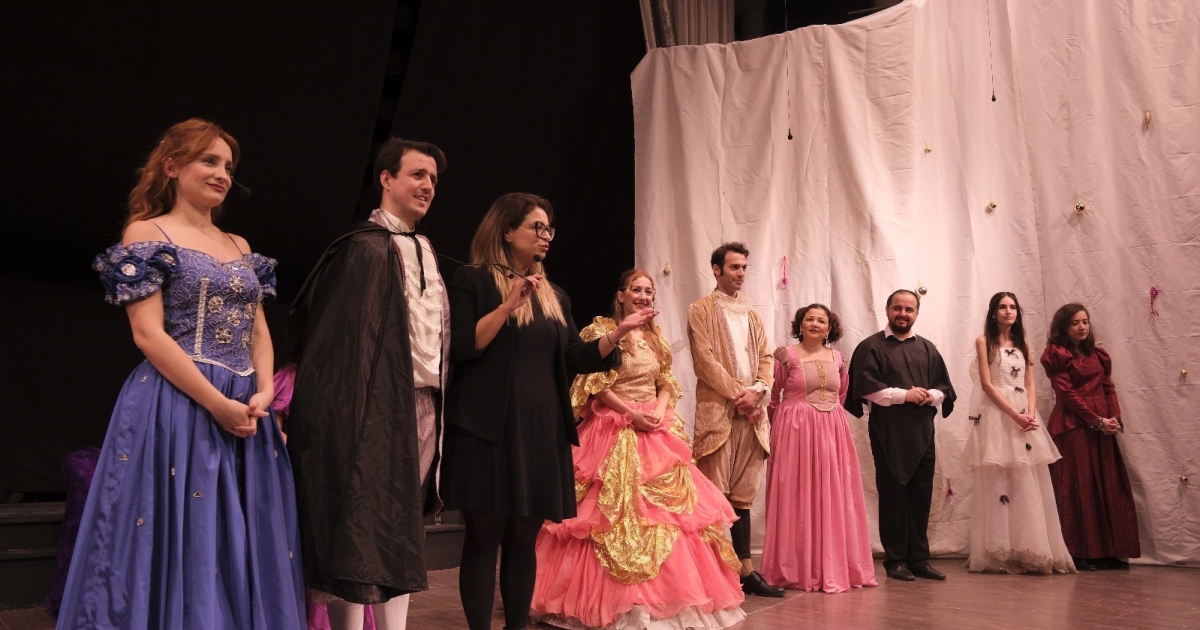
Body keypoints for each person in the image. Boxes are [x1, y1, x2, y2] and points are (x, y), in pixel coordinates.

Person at [60, 118, 305, 629]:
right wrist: (217, 404)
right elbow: (148, 335)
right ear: (172, 166)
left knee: (239, 536)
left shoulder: (240, 245)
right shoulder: (148, 234)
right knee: (177, 533)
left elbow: (259, 331)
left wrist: (264, 391)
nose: (222, 174)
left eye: (228, 166)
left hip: (245, 406)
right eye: (209, 161)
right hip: (180, 402)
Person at [443, 193, 651, 630]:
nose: (546, 236)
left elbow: (575, 356)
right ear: (507, 231)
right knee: (484, 536)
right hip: (489, 429)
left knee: (524, 538)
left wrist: (617, 334)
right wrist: (508, 306)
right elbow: (462, 346)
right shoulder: (473, 280)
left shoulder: (554, 295)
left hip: (540, 431)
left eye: (549, 228)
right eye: (536, 227)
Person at [287, 138, 450, 630]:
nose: (427, 185)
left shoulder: (425, 248)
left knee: (401, 527)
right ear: (386, 178)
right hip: (371, 405)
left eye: (433, 179)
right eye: (417, 174)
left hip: (423, 404)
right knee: (359, 522)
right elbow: (337, 346)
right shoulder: (363, 248)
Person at [531, 270, 747, 629]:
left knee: (669, 517)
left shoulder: (655, 337)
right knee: (604, 516)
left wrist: (659, 411)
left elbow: (666, 379)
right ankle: (612, 602)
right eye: (636, 290)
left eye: (649, 291)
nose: (644, 296)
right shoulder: (600, 330)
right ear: (621, 295)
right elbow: (594, 383)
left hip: (655, 429)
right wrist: (631, 414)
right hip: (613, 426)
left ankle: (667, 600)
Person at [687, 242, 783, 598]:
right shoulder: (700, 309)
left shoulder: (752, 315)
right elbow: (704, 360)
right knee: (714, 493)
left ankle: (746, 571)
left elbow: (766, 357)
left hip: (752, 415)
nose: (740, 273)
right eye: (734, 267)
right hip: (720, 414)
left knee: (743, 495)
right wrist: (739, 396)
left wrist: (759, 390)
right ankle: (712, 572)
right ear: (716, 270)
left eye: (744, 267)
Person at [762, 304, 878, 593]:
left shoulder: (838, 358)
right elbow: (773, 398)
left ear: (829, 328)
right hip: (794, 432)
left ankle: (831, 565)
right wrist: (775, 432)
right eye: (809, 319)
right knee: (796, 493)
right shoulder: (785, 356)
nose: (815, 324)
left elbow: (841, 394)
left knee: (832, 492)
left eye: (821, 320)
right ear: (800, 325)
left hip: (831, 431)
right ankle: (795, 568)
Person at [844, 289, 956, 582]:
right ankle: (896, 560)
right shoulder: (871, 346)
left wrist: (930, 395)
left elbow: (943, 388)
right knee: (893, 495)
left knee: (921, 495)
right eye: (897, 308)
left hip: (922, 433)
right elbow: (867, 388)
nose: (902, 314)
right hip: (888, 433)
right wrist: (905, 395)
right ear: (887, 309)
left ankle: (919, 559)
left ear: (916, 313)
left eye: (909, 309)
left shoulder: (927, 348)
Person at [962, 293, 1074, 574]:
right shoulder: (983, 342)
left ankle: (1031, 548)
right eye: (1002, 307)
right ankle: (999, 550)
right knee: (998, 480)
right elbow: (987, 385)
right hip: (997, 414)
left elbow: (1030, 383)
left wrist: (1030, 413)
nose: (1008, 311)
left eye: (1012, 307)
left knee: (1026, 479)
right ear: (993, 312)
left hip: (1024, 415)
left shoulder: (1023, 342)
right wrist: (1014, 414)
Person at [1041, 303, 1140, 571]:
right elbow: (1066, 394)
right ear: (1063, 327)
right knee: (1079, 486)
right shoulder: (1057, 355)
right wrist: (1096, 420)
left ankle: (1108, 551)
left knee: (1106, 486)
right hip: (1073, 425)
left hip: (1102, 426)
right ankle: (1078, 552)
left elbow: (1108, 387)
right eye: (1075, 322)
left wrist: (1114, 418)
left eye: (1085, 321)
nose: (1082, 327)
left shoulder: (1098, 355)